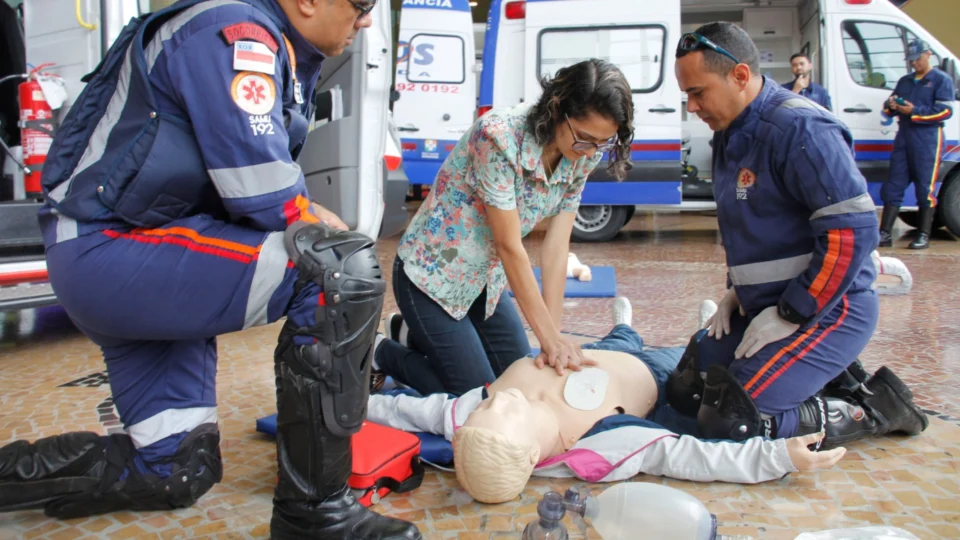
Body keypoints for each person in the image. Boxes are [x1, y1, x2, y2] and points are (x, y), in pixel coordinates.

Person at [0, 1, 420, 539]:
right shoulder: (234, 33)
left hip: (147, 248)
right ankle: (315, 516)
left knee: (178, 469)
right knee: (341, 272)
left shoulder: (281, 49)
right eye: (362, 4)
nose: (366, 20)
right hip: (112, 249)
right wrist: (326, 224)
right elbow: (266, 191)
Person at [365, 298, 924, 505]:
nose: (497, 401)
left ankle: (625, 324)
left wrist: (340, 403)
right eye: (506, 415)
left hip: (588, 354)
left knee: (616, 342)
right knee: (714, 392)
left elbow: (406, 410)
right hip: (655, 383)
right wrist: (779, 459)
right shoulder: (603, 449)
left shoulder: (467, 415)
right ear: (534, 456)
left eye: (486, 410)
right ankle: (862, 405)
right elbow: (693, 459)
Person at [668, 22, 927, 449]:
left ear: (740, 76)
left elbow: (852, 233)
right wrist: (737, 291)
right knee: (687, 390)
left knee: (731, 421)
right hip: (768, 304)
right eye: (687, 96)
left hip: (828, 309)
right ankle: (828, 378)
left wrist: (791, 313)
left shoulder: (800, 130)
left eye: (698, 92)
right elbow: (757, 226)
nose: (692, 106)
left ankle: (873, 408)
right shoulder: (730, 135)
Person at [375, 59, 635, 396]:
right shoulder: (498, 137)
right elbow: (509, 244)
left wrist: (552, 335)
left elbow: (556, 247)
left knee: (520, 381)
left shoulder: (585, 151)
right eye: (585, 139)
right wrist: (547, 338)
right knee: (482, 397)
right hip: (431, 277)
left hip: (486, 281)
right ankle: (382, 352)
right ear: (558, 108)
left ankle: (409, 333)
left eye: (603, 143)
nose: (591, 152)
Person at [879, 39, 955, 250]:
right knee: (893, 185)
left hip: (928, 138)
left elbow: (946, 111)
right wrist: (891, 105)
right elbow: (887, 109)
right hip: (904, 138)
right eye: (911, 60)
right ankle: (884, 233)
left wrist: (914, 111)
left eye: (918, 59)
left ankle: (923, 234)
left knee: (925, 188)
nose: (915, 64)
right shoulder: (905, 81)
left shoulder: (941, 80)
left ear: (928, 54)